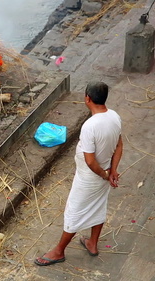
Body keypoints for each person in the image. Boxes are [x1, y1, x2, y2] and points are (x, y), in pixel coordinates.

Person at [34, 81, 123, 266]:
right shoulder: (114, 116)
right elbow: (119, 145)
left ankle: (58, 251)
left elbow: (90, 161)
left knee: (74, 212)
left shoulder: (90, 126)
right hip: (104, 172)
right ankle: (92, 243)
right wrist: (112, 170)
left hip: (90, 177)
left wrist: (105, 175)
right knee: (99, 206)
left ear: (87, 98)